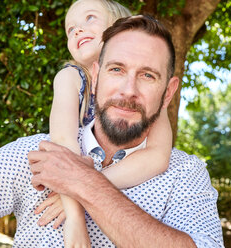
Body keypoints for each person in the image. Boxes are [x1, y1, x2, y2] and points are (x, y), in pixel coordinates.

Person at [0, 15, 224, 247]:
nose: (129, 90)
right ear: (96, 76)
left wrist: (82, 181)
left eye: (147, 76)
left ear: (168, 93)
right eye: (117, 69)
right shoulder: (36, 155)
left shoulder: (185, 174)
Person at [50, 1, 173, 246]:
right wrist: (74, 218)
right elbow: (62, 145)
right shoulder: (70, 77)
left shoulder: (148, 96)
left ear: (119, 27)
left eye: (90, 18)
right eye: (70, 28)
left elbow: (158, 155)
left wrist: (88, 187)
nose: (77, 29)